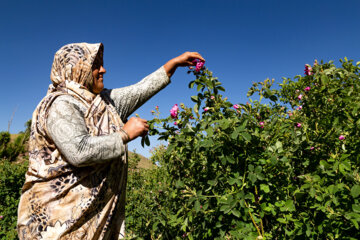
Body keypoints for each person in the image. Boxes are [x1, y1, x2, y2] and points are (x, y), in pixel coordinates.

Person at [17, 42, 204, 239]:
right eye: (95, 65)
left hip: (90, 221)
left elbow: (139, 90)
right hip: (57, 223)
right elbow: (79, 151)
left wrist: (173, 64)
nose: (103, 70)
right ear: (76, 69)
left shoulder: (103, 102)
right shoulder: (60, 104)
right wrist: (124, 135)